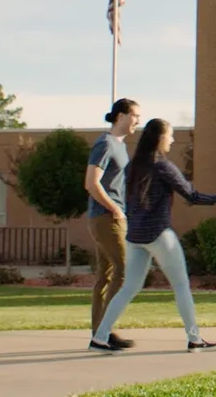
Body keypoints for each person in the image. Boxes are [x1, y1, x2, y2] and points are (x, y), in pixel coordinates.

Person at [88, 119, 216, 354]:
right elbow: (191, 195)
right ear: (160, 138)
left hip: (135, 236)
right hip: (159, 234)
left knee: (129, 287)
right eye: (170, 136)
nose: (172, 140)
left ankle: (100, 338)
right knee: (181, 284)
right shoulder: (162, 165)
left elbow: (127, 201)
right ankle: (194, 338)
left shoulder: (132, 167)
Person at [84, 98, 140, 350]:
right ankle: (103, 333)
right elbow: (91, 183)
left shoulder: (120, 146)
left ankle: (100, 333)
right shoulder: (105, 144)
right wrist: (115, 208)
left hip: (110, 216)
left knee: (105, 276)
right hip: (107, 218)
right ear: (120, 117)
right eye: (135, 115)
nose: (137, 121)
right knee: (125, 270)